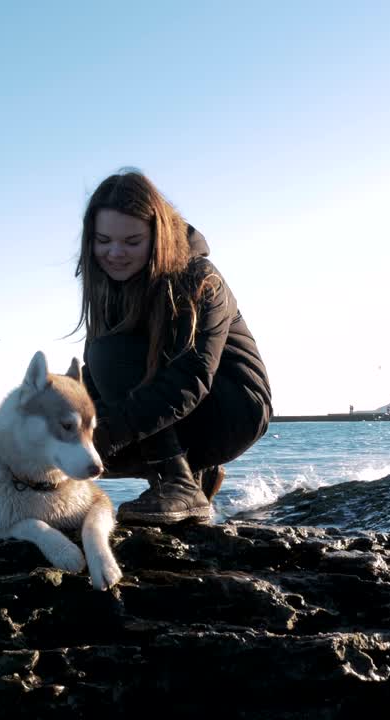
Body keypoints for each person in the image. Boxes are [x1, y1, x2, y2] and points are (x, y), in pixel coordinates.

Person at [74, 170, 271, 525]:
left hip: (232, 409)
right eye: (103, 240)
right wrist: (77, 433)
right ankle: (194, 476)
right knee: (73, 426)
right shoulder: (111, 286)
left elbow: (190, 377)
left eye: (132, 241)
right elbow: (94, 376)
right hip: (178, 411)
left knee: (109, 354)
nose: (115, 253)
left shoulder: (200, 278)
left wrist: (108, 435)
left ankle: (177, 482)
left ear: (158, 236)